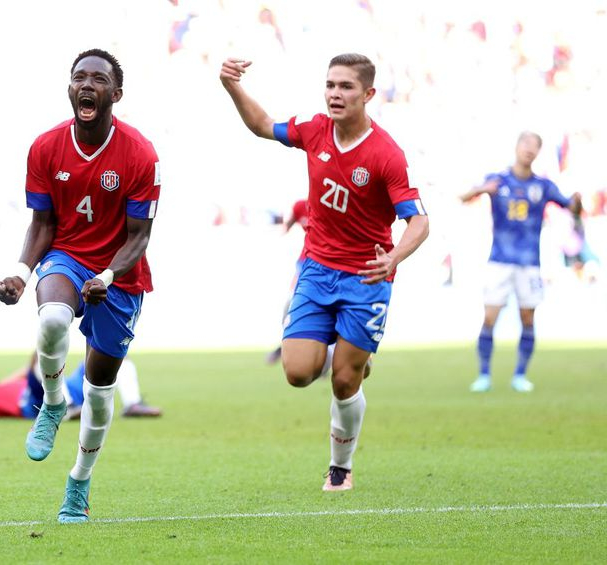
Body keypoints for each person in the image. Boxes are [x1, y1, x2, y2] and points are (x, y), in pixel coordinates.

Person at [220, 53, 429, 492]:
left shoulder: (385, 154)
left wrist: (394, 259)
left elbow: (420, 222)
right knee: (297, 372)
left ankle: (340, 467)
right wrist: (232, 86)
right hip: (316, 269)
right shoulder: (314, 128)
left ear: (368, 94)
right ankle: (350, 350)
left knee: (344, 380)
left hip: (366, 277)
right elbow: (263, 125)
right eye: (331, 84)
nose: (335, 93)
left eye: (346, 87)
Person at [0, 49, 161, 523]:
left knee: (101, 387)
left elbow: (139, 238)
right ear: (70, 88)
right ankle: (51, 402)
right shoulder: (45, 147)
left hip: (120, 275)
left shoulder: (140, 154)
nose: (87, 85)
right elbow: (42, 224)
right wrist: (22, 275)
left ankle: (79, 483)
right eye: (79, 77)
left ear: (116, 94)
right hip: (66, 257)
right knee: (51, 319)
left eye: (98, 79)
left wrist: (106, 277)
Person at [460, 132, 581, 393]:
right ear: (516, 147)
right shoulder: (498, 180)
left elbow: (570, 207)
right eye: (526, 144)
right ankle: (483, 375)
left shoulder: (543, 185)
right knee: (490, 316)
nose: (529, 150)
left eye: (535, 146)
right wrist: (481, 190)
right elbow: (463, 197)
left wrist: (578, 202)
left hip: (529, 263)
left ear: (538, 153)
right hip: (500, 260)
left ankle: (520, 375)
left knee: (527, 317)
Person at [0, 353, 162, 419]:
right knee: (40, 357)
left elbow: (25, 373)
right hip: (37, 401)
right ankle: (63, 407)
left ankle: (132, 404)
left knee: (115, 358)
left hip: (65, 386)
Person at [266, 199, 309, 365]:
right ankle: (285, 344)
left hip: (329, 266)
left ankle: (326, 355)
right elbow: (286, 227)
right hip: (305, 264)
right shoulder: (301, 206)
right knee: (290, 305)